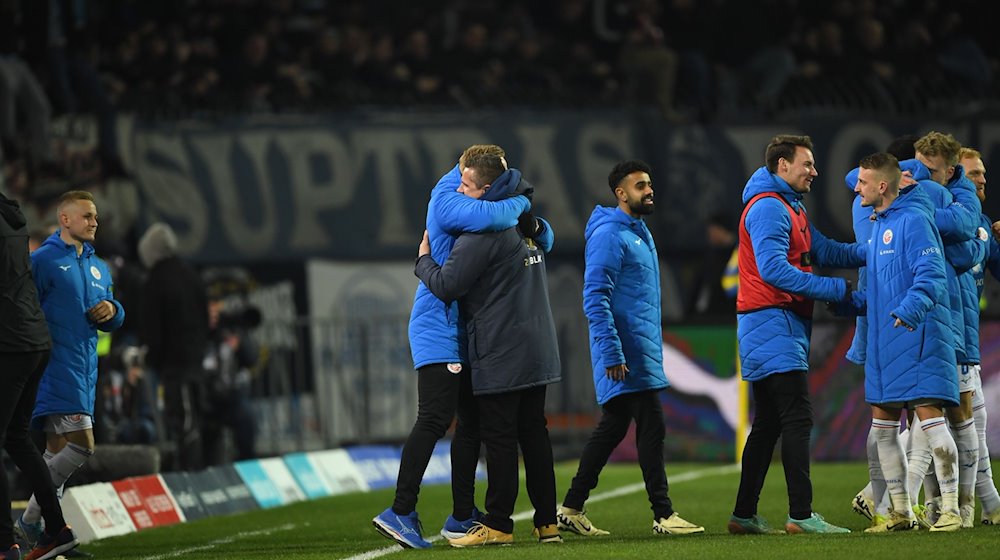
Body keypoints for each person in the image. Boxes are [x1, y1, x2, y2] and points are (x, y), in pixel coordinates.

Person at [372, 145, 554, 549]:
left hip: (463, 332)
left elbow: (540, 235)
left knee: (471, 427)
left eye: (468, 183)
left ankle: (461, 515)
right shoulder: (447, 195)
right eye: (462, 179)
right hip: (439, 324)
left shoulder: (483, 197)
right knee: (434, 420)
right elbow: (490, 215)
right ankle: (401, 511)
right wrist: (521, 200)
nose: (461, 186)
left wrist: (530, 218)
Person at [557, 160, 704, 538]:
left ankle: (571, 507)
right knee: (651, 426)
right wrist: (612, 352)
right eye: (641, 186)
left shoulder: (636, 231)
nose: (649, 190)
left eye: (650, 183)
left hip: (636, 348)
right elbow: (595, 297)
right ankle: (664, 514)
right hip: (626, 352)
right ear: (621, 194)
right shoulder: (611, 234)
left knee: (613, 428)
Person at [730, 135, 863, 535]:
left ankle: (743, 514)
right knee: (797, 417)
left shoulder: (789, 206)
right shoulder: (771, 208)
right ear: (782, 166)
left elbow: (826, 251)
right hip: (773, 322)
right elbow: (773, 271)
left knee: (769, 423)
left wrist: (875, 249)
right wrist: (835, 290)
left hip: (771, 324)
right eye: (807, 164)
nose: (814, 172)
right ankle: (801, 515)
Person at [848, 151, 961, 532]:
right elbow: (881, 287)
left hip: (917, 336)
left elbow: (931, 277)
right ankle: (900, 512)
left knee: (930, 419)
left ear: (882, 186)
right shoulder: (880, 224)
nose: (856, 187)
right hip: (886, 342)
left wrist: (909, 310)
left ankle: (950, 510)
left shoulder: (914, 220)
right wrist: (849, 302)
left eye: (863, 182)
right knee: (883, 427)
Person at [17, 190, 122, 554]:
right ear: (65, 220)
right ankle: (31, 521)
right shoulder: (43, 261)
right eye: (87, 216)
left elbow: (111, 309)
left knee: (55, 452)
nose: (95, 222)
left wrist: (113, 308)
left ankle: (49, 532)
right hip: (54, 367)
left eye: (95, 216)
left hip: (86, 367)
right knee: (84, 445)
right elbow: (23, 307)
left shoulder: (99, 266)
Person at [1, 190, 78, 560]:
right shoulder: (12, 217)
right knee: (16, 439)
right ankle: (57, 529)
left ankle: (5, 545)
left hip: (10, 343)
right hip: (33, 339)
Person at [137, 222, 210, 470]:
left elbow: (153, 329)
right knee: (193, 416)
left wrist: (154, 359)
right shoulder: (191, 275)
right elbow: (204, 317)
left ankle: (190, 473)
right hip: (194, 359)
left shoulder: (155, 282)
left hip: (174, 365)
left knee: (182, 420)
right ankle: (196, 468)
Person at [961, 147, 1000, 525]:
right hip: (944, 333)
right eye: (973, 174)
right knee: (945, 420)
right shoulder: (944, 219)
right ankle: (971, 507)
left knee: (969, 419)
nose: (983, 179)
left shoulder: (983, 222)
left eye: (983, 174)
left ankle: (986, 505)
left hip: (967, 334)